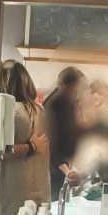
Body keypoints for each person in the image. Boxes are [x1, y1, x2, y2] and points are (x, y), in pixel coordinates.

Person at [0, 59, 50, 215]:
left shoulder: (11, 112)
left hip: (14, 197)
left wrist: (30, 147)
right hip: (39, 194)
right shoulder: (40, 110)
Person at [43, 65, 86, 198]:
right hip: (54, 170)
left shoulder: (62, 101)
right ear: (70, 85)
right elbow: (53, 143)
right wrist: (67, 171)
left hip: (59, 169)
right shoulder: (57, 104)